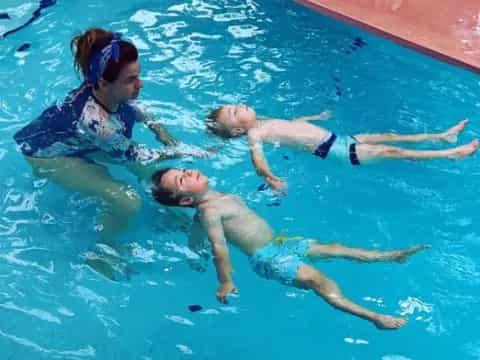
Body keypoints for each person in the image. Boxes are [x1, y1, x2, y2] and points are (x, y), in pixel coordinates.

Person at [151, 167, 430, 330]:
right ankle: (375, 318)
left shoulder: (215, 199)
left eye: (183, 170)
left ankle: (392, 257)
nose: (187, 172)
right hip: (268, 258)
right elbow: (218, 247)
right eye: (181, 180)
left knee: (337, 248)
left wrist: (193, 252)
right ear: (186, 200)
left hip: (281, 243)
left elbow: (197, 235)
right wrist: (225, 280)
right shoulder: (209, 211)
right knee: (319, 281)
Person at [12, 28, 209, 251]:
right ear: (104, 83)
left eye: (138, 75)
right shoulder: (96, 123)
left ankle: (169, 210)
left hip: (79, 140)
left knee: (149, 171)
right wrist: (189, 151)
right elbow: (137, 154)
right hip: (48, 155)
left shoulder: (106, 89)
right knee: (126, 200)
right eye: (131, 79)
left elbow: (135, 106)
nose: (140, 84)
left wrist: (160, 131)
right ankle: (103, 250)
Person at [206, 104, 478, 191]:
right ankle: (450, 154)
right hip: (337, 151)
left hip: (340, 138)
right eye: (233, 112)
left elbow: (292, 125)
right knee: (391, 151)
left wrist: (315, 118)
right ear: (239, 130)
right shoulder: (256, 134)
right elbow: (257, 159)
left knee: (390, 137)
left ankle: (443, 137)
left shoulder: (264, 120)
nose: (239, 105)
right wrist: (269, 176)